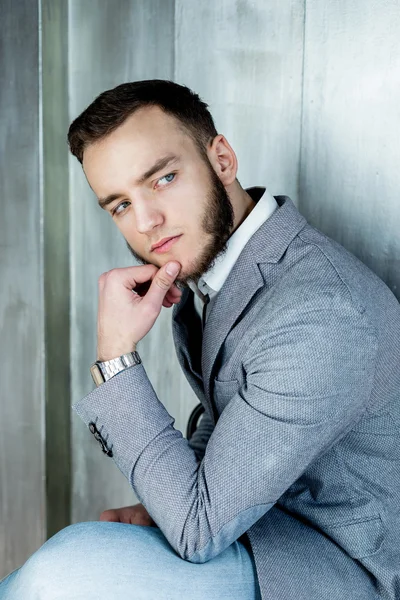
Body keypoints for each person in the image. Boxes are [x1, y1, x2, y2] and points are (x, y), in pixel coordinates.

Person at [1, 80, 399, 600]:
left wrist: (116, 358)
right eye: (119, 205)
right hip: (263, 528)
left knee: (63, 574)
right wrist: (174, 502)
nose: (146, 222)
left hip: (342, 567)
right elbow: (232, 422)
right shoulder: (224, 271)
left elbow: (197, 530)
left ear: (223, 159)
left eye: (163, 178)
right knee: (43, 574)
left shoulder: (318, 312)